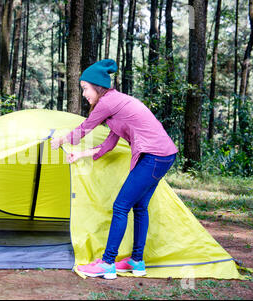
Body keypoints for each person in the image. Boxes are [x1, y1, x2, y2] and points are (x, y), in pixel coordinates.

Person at [51, 59, 178, 279]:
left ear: (97, 87)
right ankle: (137, 262)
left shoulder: (107, 103)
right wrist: (80, 154)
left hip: (155, 156)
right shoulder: (116, 105)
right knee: (139, 208)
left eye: (85, 89)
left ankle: (107, 264)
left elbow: (85, 128)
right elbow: (110, 143)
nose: (84, 95)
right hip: (163, 155)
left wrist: (61, 140)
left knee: (120, 206)